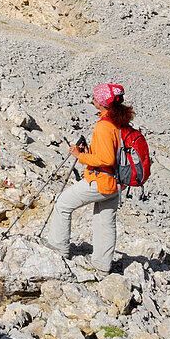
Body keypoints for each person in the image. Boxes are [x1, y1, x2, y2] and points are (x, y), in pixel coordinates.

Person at [41, 83, 134, 275]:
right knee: (105, 221)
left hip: (101, 181)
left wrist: (79, 155)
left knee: (63, 203)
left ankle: (58, 246)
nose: (93, 99)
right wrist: (89, 152)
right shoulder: (120, 123)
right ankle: (102, 265)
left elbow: (106, 159)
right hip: (117, 183)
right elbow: (111, 154)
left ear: (102, 103)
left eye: (96, 97)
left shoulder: (103, 126)